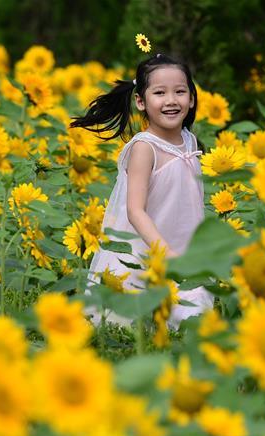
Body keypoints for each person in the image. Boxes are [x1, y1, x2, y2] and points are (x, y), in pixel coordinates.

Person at [70, 53, 214, 329]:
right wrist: (165, 253)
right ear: (141, 101)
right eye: (160, 93)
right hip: (146, 256)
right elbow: (135, 211)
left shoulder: (189, 140)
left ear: (192, 98)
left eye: (180, 92)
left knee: (196, 318)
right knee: (133, 319)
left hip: (184, 254)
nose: (171, 100)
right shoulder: (144, 148)